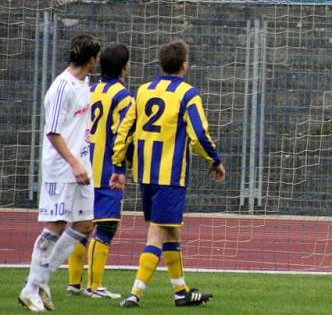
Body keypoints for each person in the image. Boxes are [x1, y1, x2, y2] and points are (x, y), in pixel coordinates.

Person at [111, 40, 226, 308]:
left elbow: (124, 131)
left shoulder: (142, 91)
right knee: (157, 234)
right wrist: (214, 160)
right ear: (184, 65)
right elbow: (198, 134)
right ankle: (135, 294)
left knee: (171, 232)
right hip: (170, 177)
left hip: (145, 176)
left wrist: (119, 166)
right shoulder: (188, 94)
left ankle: (181, 292)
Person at [18, 34, 101, 312]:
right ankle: (31, 287)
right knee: (56, 224)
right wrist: (74, 163)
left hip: (81, 165)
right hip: (62, 167)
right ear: (90, 59)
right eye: (96, 56)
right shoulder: (61, 88)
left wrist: (83, 162)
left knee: (84, 224)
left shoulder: (85, 82)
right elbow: (53, 133)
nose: (98, 61)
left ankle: (40, 281)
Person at [66, 44, 133, 299]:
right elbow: (124, 136)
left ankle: (74, 284)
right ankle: (95, 286)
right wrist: (124, 166)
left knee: (82, 225)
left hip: (83, 168)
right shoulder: (124, 96)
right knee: (105, 229)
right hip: (106, 172)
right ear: (124, 67)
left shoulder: (89, 90)